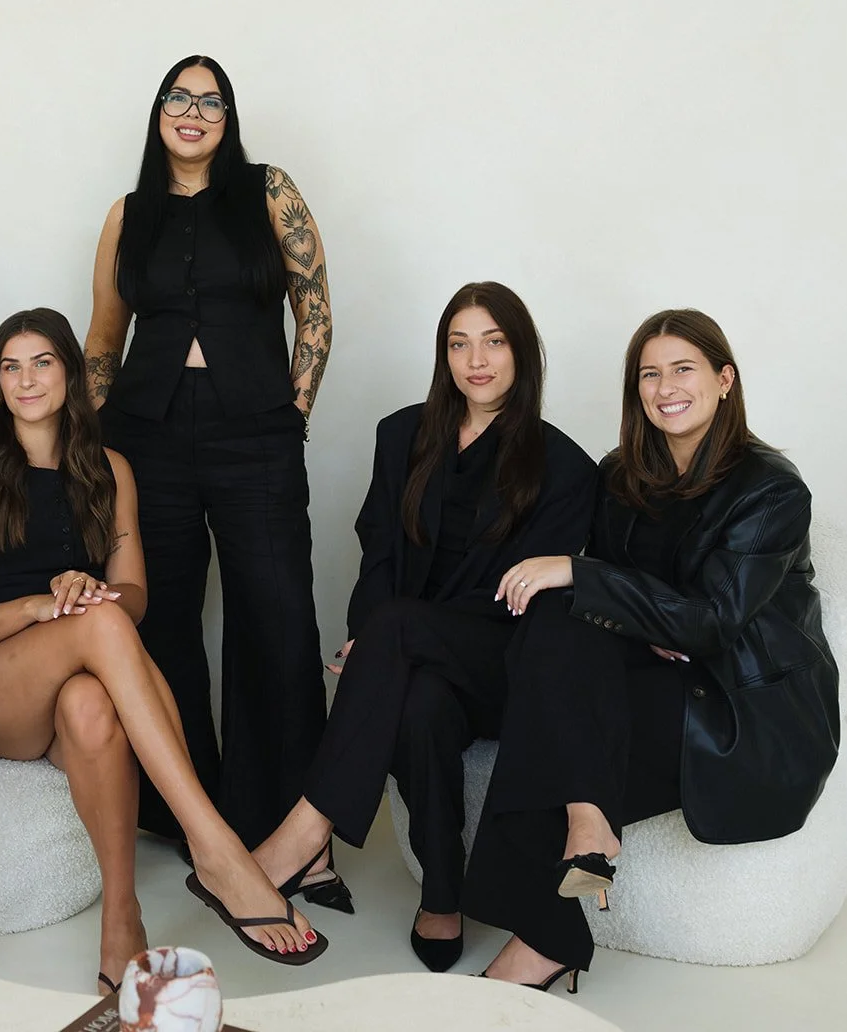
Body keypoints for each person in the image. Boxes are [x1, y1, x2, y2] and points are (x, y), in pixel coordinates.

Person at [0, 308, 328, 994]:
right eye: (10, 367)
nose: (27, 379)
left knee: (92, 699)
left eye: (42, 362)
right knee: (104, 626)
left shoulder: (111, 469)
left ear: (71, 373)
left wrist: (92, 593)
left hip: (71, 680)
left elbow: (135, 595)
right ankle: (216, 848)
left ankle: (123, 920)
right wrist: (38, 606)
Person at [464, 308, 839, 993]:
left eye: (683, 369)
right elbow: (620, 611)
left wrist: (590, 579)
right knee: (553, 626)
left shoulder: (772, 490)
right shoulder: (622, 475)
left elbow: (710, 622)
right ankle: (586, 830)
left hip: (738, 701)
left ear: (724, 380)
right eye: (649, 374)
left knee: (552, 727)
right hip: (655, 669)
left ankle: (547, 935)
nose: (665, 388)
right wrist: (637, 613)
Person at [250, 282, 597, 969]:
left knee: (402, 635)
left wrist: (393, 637)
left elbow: (528, 603)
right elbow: (378, 551)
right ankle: (442, 894)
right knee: (420, 704)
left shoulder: (565, 467)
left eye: (494, 342)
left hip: (501, 661)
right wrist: (373, 635)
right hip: (411, 654)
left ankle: (304, 833)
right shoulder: (401, 435)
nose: (477, 360)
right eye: (459, 344)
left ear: (522, 352)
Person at [83, 54, 332, 850]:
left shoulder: (270, 191)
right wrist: (96, 445)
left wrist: (292, 414)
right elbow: (103, 337)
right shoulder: (127, 215)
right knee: (162, 619)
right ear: (158, 111)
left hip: (255, 431)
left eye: (211, 101)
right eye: (178, 97)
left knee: (278, 615)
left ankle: (291, 828)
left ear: (229, 118)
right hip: (146, 436)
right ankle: (189, 815)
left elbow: (316, 312)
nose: (193, 112)